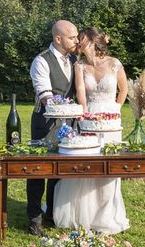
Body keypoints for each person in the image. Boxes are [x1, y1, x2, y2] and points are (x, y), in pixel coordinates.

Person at [52, 27, 130, 234]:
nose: (79, 42)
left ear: (93, 42)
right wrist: (84, 116)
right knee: (88, 168)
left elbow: (124, 90)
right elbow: (81, 94)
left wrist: (115, 109)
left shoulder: (114, 63)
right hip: (88, 121)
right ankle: (85, 215)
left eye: (83, 39)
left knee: (109, 169)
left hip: (112, 122)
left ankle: (106, 217)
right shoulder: (80, 66)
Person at [27, 20, 79, 236]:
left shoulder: (76, 60)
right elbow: (46, 96)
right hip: (45, 123)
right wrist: (64, 107)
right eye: (72, 37)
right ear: (58, 39)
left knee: (61, 171)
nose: (77, 41)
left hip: (70, 125)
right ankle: (34, 218)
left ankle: (52, 213)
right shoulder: (41, 61)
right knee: (38, 170)